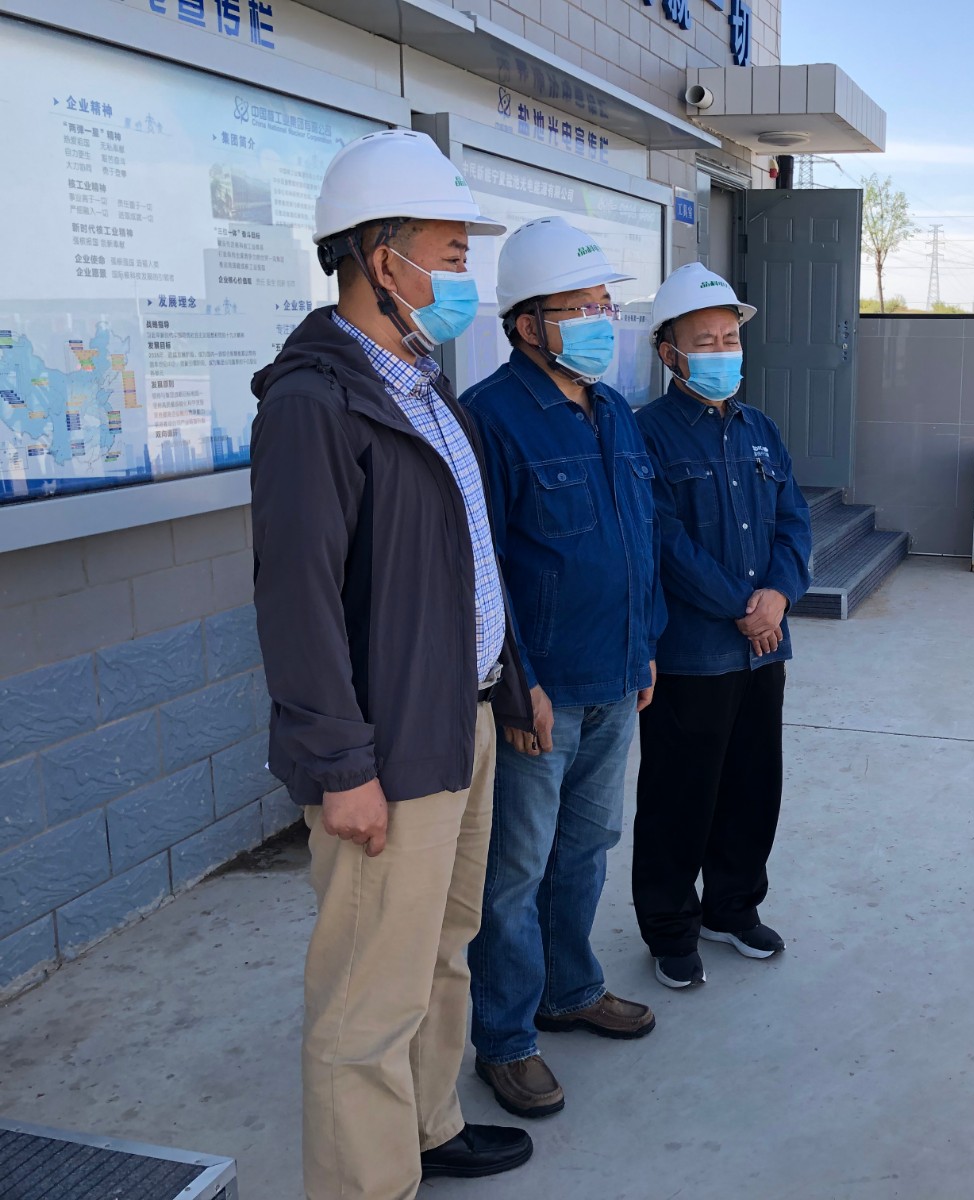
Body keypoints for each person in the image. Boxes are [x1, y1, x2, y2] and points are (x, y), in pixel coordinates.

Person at [250, 128, 534, 1199]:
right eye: (451, 253)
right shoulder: (313, 402)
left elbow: (468, 557)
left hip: (461, 718)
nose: (465, 276)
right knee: (367, 992)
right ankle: (365, 1183)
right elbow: (297, 601)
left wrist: (511, 682)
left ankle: (427, 1124)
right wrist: (341, 767)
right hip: (388, 747)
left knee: (443, 946)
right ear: (381, 258)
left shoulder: (421, 380)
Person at [463, 217, 662, 1120]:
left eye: (604, 305)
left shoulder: (612, 409)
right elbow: (485, 569)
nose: (600, 322)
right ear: (525, 324)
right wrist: (519, 685)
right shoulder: (491, 418)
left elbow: (638, 540)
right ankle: (506, 1038)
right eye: (578, 308)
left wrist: (643, 644)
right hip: (540, 696)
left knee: (587, 849)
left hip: (615, 676)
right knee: (514, 873)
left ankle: (570, 989)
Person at [631, 263, 812, 988]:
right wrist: (744, 605)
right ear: (669, 352)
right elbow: (664, 542)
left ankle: (732, 906)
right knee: (679, 795)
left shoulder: (761, 430)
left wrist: (780, 595)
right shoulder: (645, 434)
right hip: (693, 652)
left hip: (764, 650)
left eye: (729, 338)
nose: (721, 351)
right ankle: (670, 926)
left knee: (752, 785)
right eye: (703, 340)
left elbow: (794, 522)